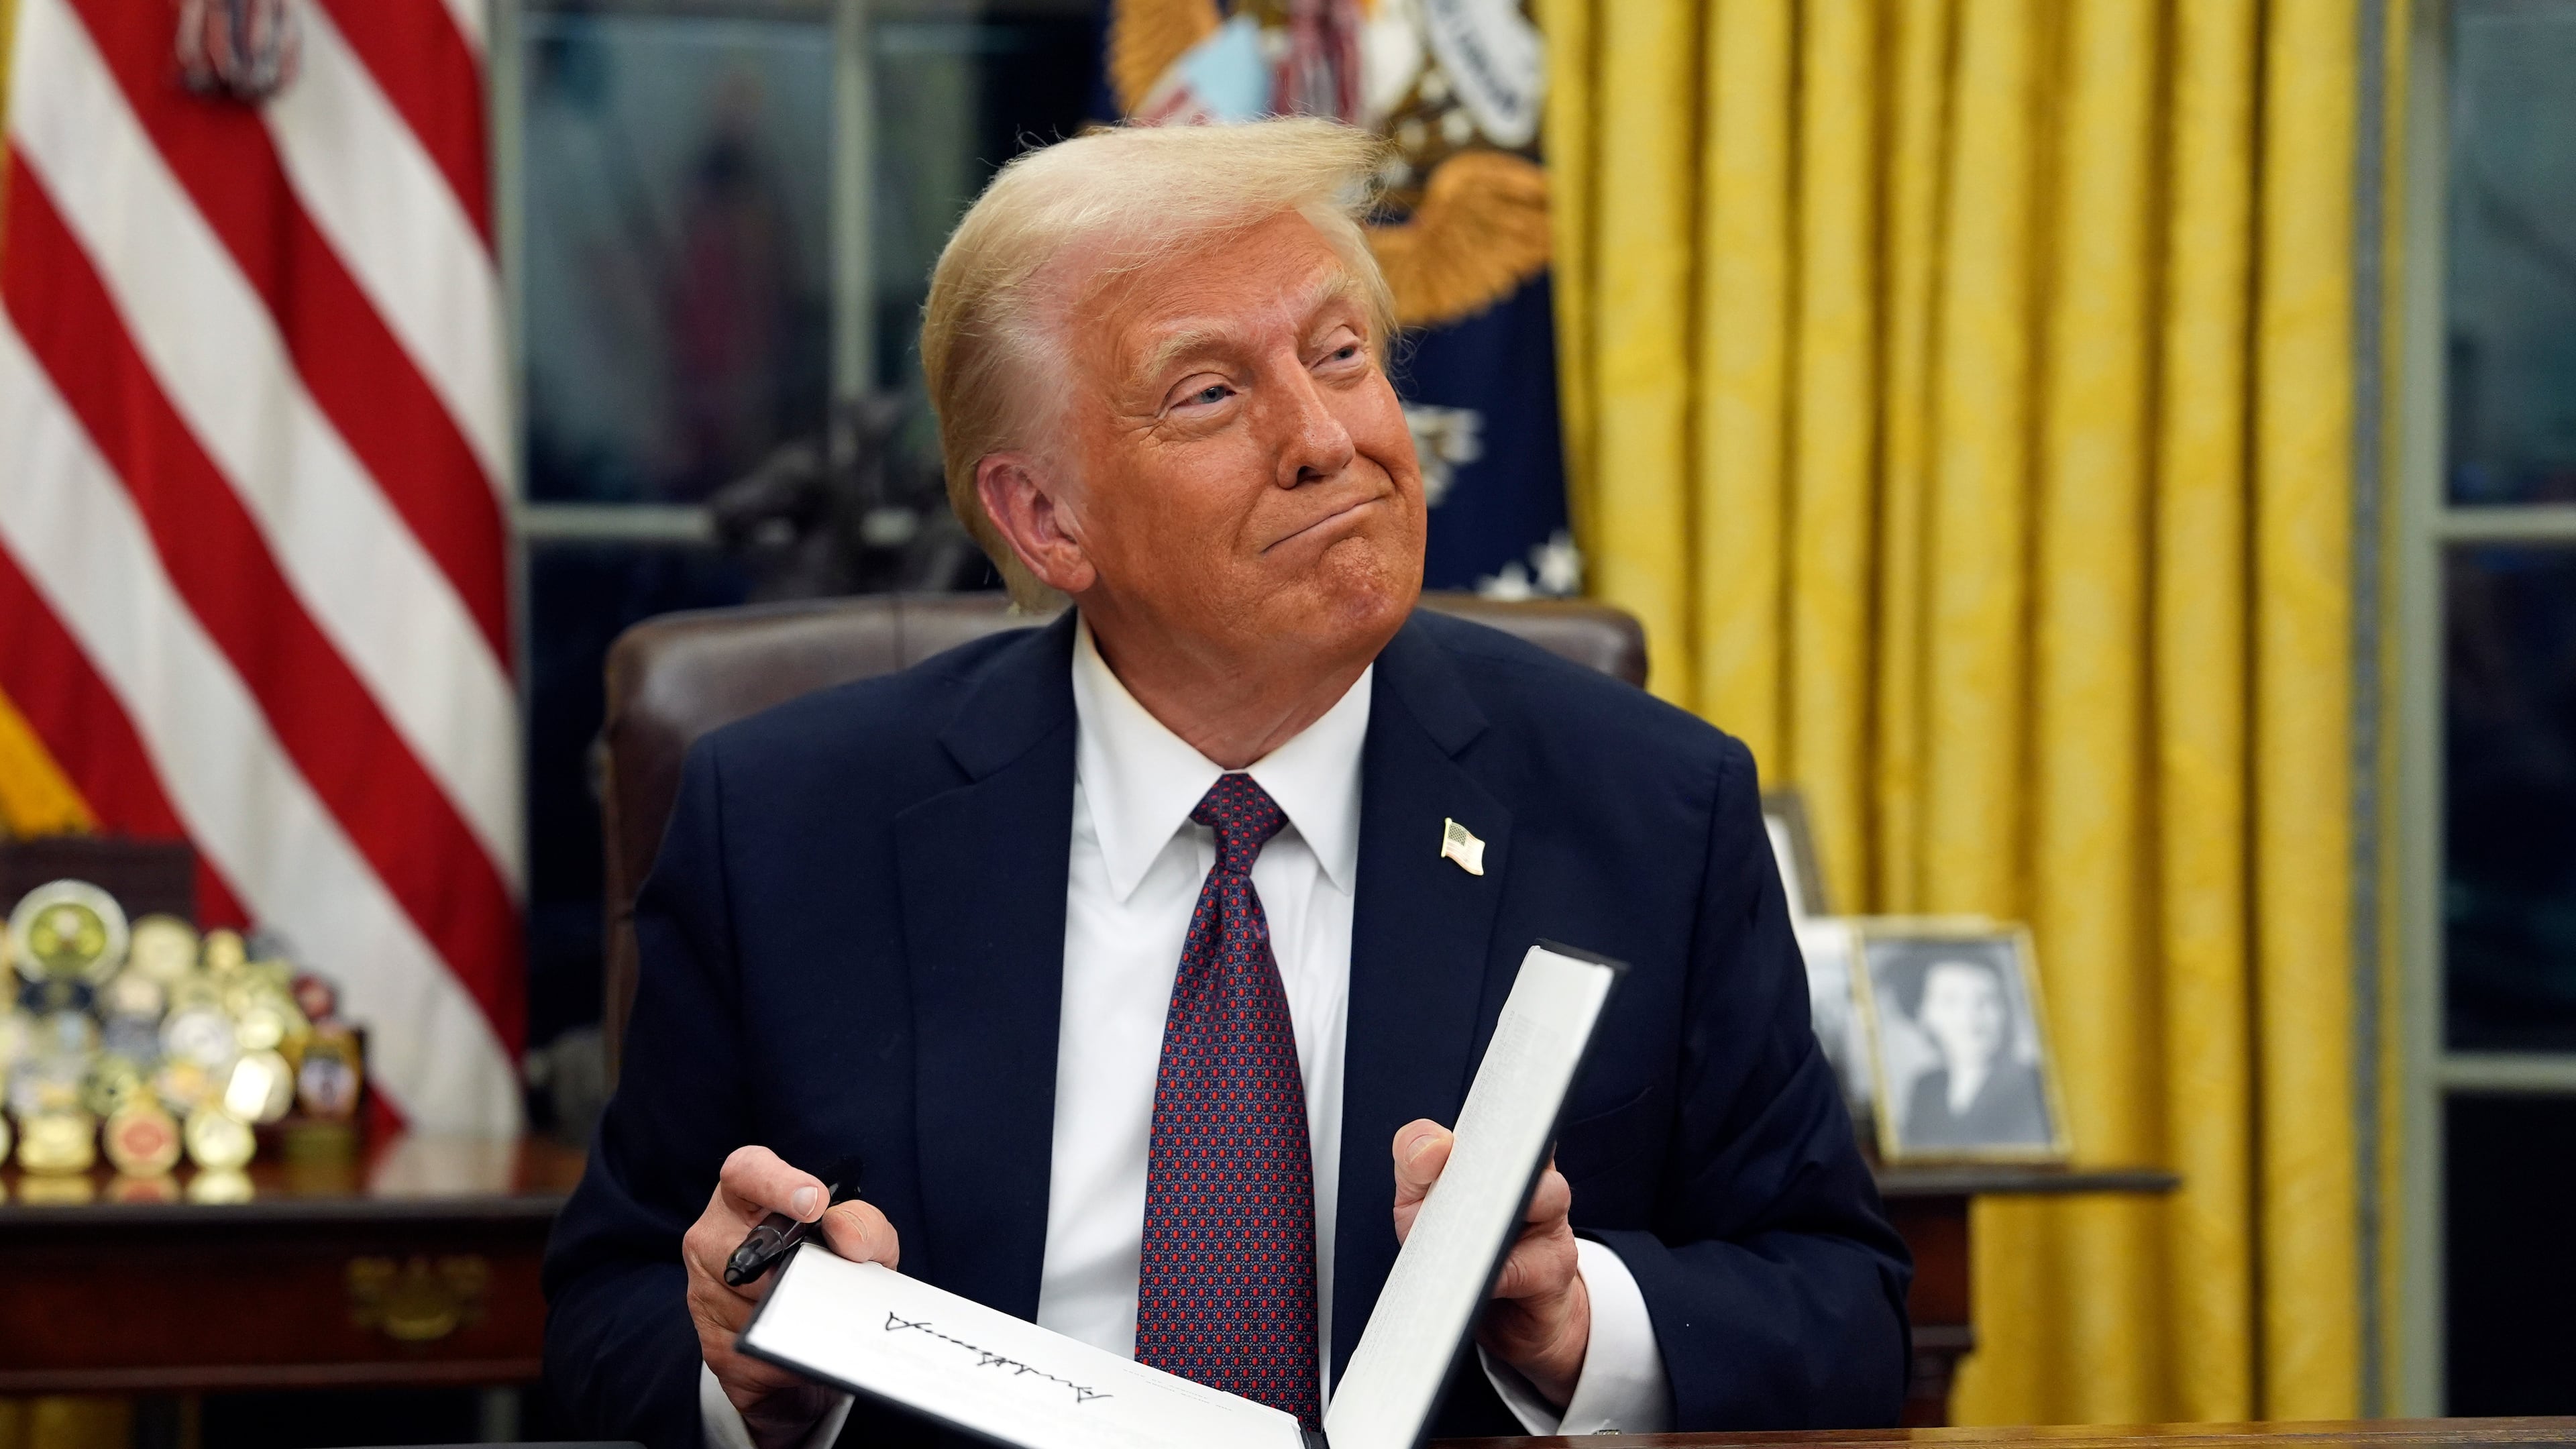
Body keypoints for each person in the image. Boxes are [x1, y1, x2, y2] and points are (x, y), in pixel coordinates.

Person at [542, 117, 1911, 1449]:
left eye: (1342, 353)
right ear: (1045, 517)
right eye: (1210, 391)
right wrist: (753, 1376)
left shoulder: (1652, 813)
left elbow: (1846, 1313)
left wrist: (1574, 1323)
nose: (1326, 437)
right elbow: (606, 1322)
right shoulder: (787, 828)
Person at [1896, 955, 2051, 1151]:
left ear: (2006, 1011)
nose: (1970, 1018)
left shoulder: (2033, 1082)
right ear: (1924, 1014)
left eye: (1986, 1000)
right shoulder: (1926, 1087)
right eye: (1950, 1001)